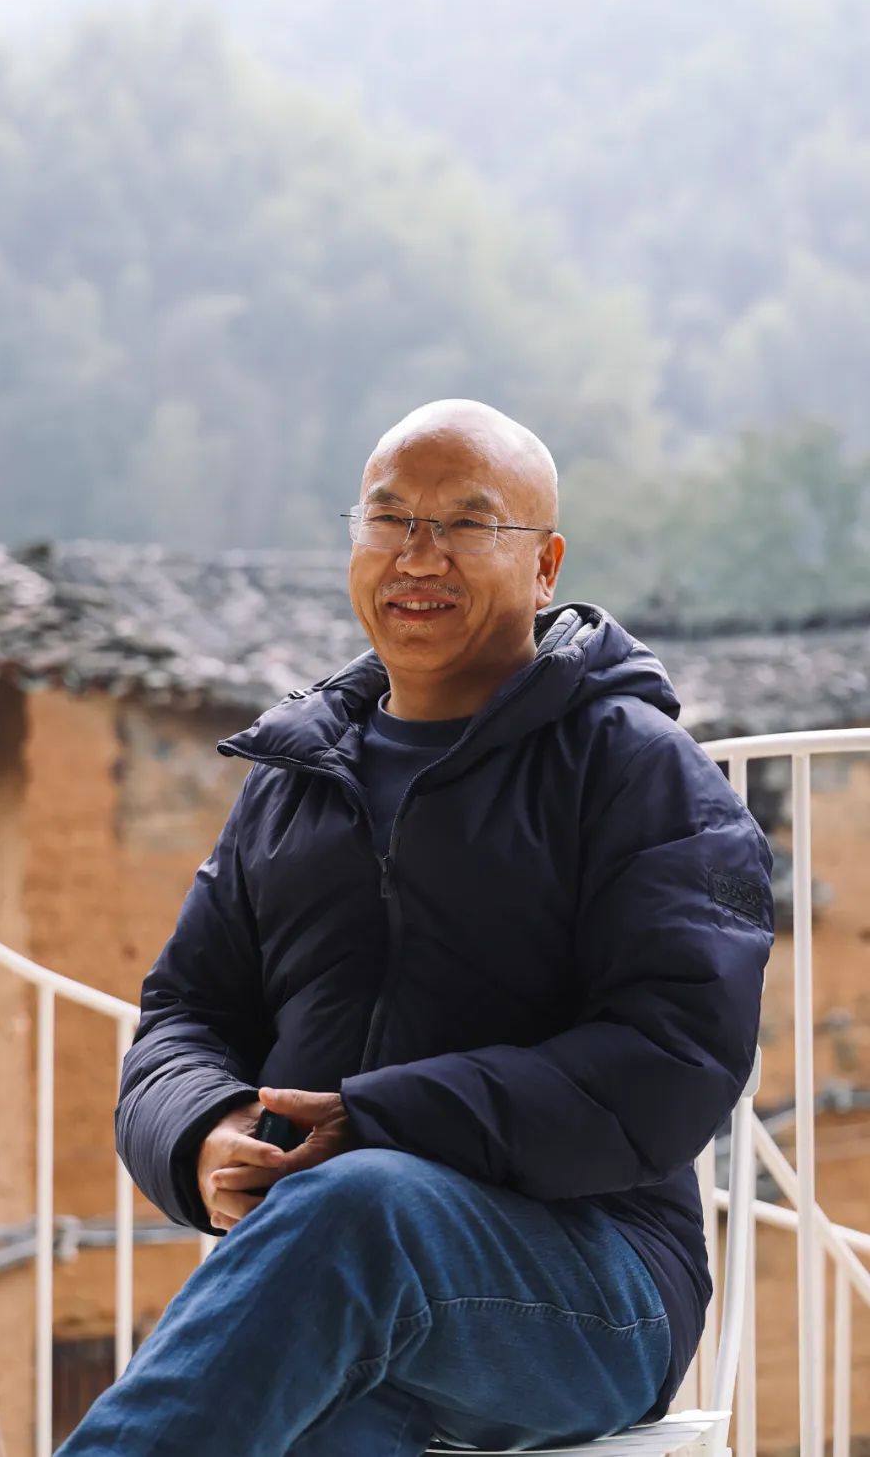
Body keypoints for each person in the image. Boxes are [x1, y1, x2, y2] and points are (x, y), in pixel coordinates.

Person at [59, 399, 773, 1456]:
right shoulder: (294, 783)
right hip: (333, 1275)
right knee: (315, 1382)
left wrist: (381, 1121)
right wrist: (200, 1128)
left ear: (545, 566)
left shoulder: (635, 770)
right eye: (389, 519)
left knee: (362, 1213)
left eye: (466, 524)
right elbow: (185, 1014)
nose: (417, 555)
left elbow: (673, 1061)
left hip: (592, 1283)